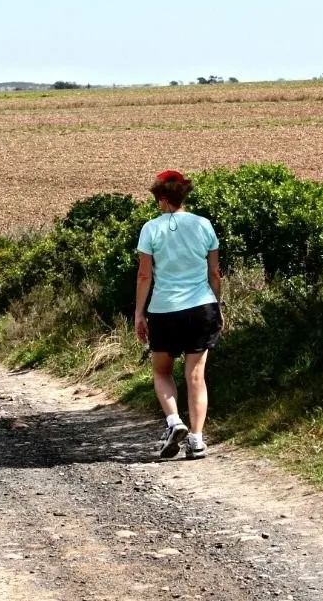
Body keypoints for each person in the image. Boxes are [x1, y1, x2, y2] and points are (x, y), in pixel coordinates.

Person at [133, 169, 222, 460]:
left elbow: (145, 276)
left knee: (161, 371)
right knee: (196, 376)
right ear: (183, 195)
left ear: (161, 198)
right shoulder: (204, 225)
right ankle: (196, 440)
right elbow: (214, 272)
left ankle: (174, 421)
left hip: (164, 310)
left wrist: (139, 313)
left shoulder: (150, 229)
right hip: (201, 308)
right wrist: (216, 304)